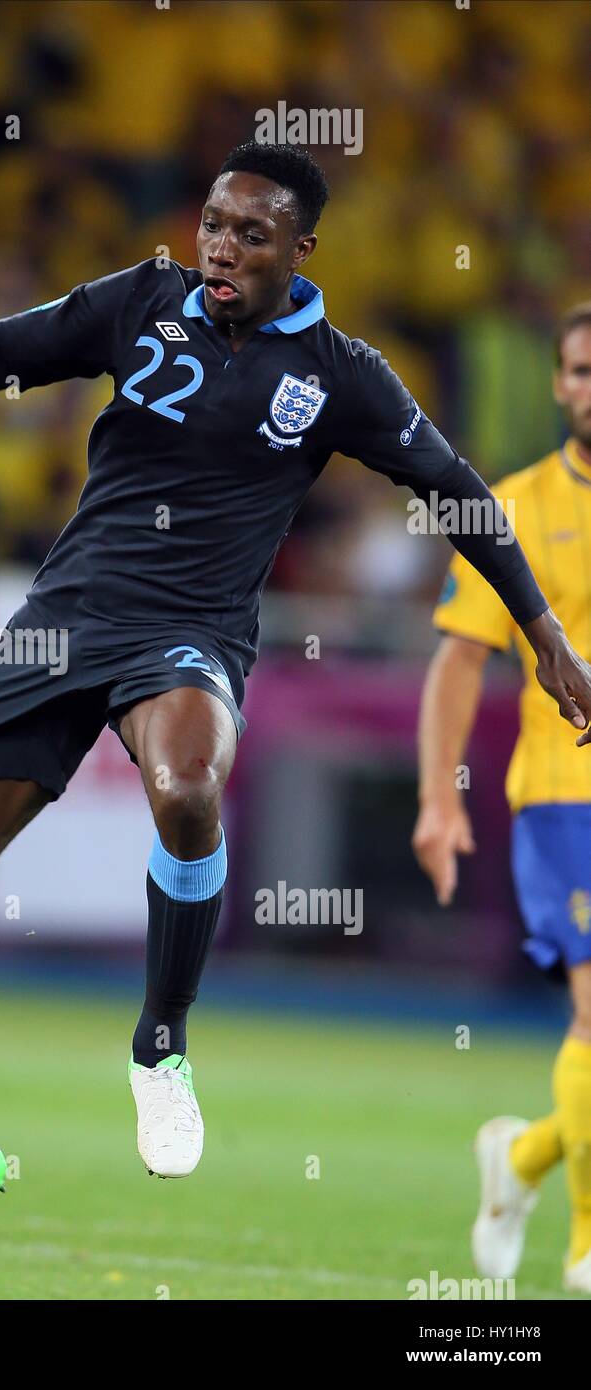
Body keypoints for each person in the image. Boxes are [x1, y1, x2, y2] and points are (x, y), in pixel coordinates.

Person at [0, 142, 591, 1288]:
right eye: (211, 223)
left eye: (250, 234)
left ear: (300, 251)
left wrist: (540, 628)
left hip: (188, 628)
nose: (220, 246)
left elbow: (456, 490)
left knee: (189, 784)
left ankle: (160, 1040)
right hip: (64, 618)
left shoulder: (342, 375)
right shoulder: (136, 301)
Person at [413, 303, 591, 1295]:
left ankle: (518, 1160)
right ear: (558, 383)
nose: (589, 386)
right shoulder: (510, 505)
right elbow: (454, 664)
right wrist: (439, 800)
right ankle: (582, 1250)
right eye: (577, 369)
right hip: (563, 795)